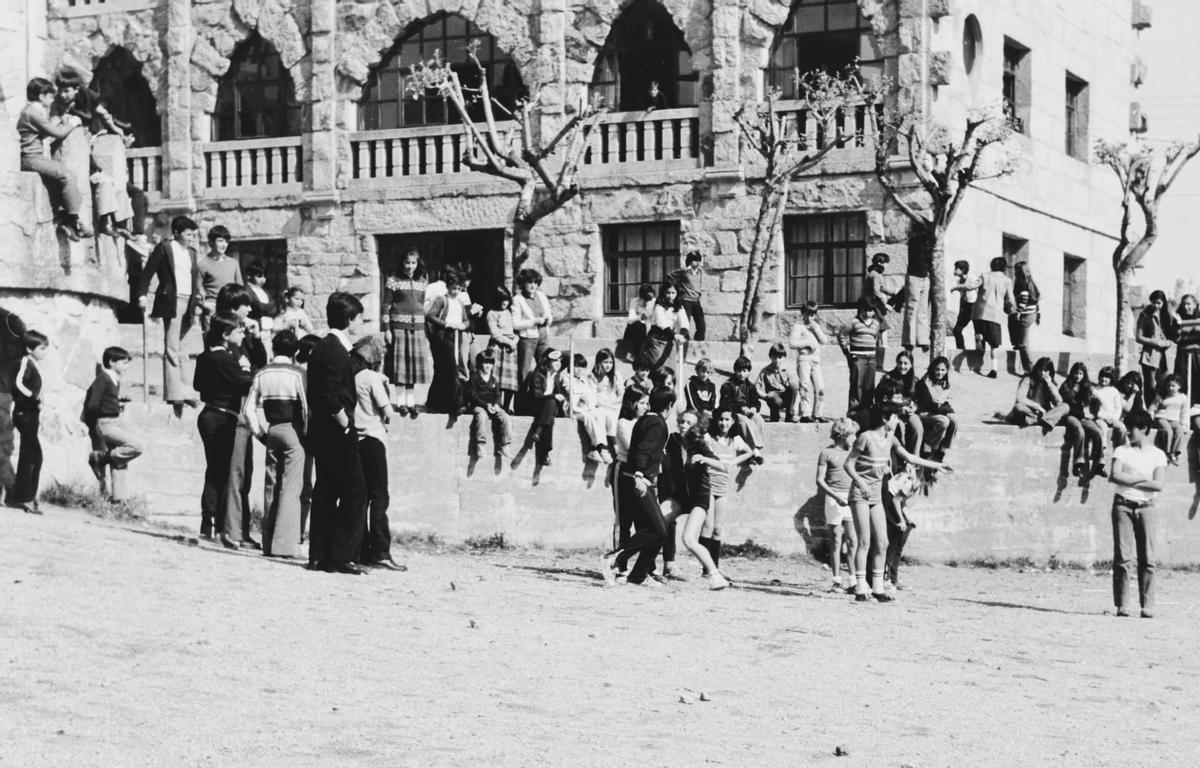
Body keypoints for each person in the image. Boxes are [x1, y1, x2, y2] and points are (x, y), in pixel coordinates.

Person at [843, 402, 950, 602]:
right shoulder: (865, 437)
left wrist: (936, 465)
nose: (898, 420)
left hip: (875, 496)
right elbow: (848, 464)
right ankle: (859, 588)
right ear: (885, 419)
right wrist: (860, 482)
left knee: (882, 542)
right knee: (864, 541)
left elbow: (910, 457)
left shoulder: (890, 439)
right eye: (895, 417)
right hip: (860, 494)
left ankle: (877, 588)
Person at [306, 292, 368, 575]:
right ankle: (342, 556)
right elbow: (330, 394)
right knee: (356, 490)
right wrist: (344, 423)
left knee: (326, 490)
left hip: (320, 430)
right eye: (360, 318)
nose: (362, 324)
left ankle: (319, 555)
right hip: (335, 430)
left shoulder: (321, 346)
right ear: (349, 320)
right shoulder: (335, 349)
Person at [600, 386, 677, 586]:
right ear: (669, 406)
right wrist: (640, 476)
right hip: (639, 481)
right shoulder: (657, 423)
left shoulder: (644, 420)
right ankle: (614, 558)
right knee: (658, 529)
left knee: (657, 530)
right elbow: (643, 450)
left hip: (640, 479)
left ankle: (638, 576)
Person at [243, 328, 308, 559]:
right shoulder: (297, 373)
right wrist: (307, 434)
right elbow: (306, 408)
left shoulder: (262, 373)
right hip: (293, 430)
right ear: (295, 350)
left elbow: (249, 408)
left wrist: (260, 433)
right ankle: (286, 546)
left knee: (271, 484)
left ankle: (268, 543)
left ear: (274, 348)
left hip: (272, 430)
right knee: (291, 487)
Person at [192, 314, 252, 545]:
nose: (242, 335)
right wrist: (245, 369)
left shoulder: (205, 356)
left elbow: (198, 385)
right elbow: (244, 383)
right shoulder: (224, 359)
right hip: (221, 416)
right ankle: (217, 526)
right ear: (226, 335)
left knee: (214, 470)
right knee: (222, 473)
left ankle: (209, 524)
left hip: (209, 413)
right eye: (238, 332)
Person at [137, 215, 202, 408]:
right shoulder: (165, 248)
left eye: (193, 234)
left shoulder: (191, 252)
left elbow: (194, 277)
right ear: (176, 233)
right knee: (172, 348)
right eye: (188, 234)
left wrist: (198, 297)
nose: (191, 238)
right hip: (171, 301)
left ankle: (187, 390)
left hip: (188, 302)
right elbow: (147, 272)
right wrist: (141, 294)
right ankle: (175, 393)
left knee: (184, 350)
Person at [350, 334, 402, 571]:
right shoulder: (372, 378)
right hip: (373, 436)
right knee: (380, 497)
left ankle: (361, 549)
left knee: (363, 496)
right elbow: (387, 411)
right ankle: (380, 551)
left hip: (357, 438)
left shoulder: (354, 376)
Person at [1108, 410, 1167, 618]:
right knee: (1122, 557)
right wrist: (1142, 478)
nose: (1128, 432)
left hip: (1147, 507)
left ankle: (1147, 605)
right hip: (1122, 506)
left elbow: (1158, 484)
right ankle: (1122, 605)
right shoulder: (1121, 450)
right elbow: (1114, 476)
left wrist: (1131, 478)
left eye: (1131, 428)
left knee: (1148, 558)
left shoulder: (1158, 454)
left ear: (1143, 429)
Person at [18, 77, 91, 240]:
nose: (52, 100)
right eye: (50, 96)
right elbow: (56, 133)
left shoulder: (30, 112)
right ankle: (73, 220)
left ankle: (66, 218)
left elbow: (43, 132)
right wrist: (72, 123)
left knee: (61, 176)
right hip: (30, 158)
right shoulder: (32, 112)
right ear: (42, 95)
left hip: (34, 157)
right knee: (66, 175)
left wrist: (57, 121)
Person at [670, 412, 729, 589]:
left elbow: (722, 466)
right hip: (681, 496)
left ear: (695, 427)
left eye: (688, 422)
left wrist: (704, 459)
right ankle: (639, 568)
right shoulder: (672, 440)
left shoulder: (698, 444)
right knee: (657, 525)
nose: (683, 425)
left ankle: (715, 575)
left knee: (688, 539)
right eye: (681, 421)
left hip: (699, 497)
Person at [699, 406, 755, 579]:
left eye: (727, 420)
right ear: (716, 420)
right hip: (707, 484)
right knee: (707, 527)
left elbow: (749, 452)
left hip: (723, 486)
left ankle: (714, 568)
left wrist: (734, 462)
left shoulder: (734, 439)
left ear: (732, 422)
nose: (724, 423)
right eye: (721, 419)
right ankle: (705, 569)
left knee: (717, 529)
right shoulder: (708, 438)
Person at [82, 346, 143, 501]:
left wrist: (117, 404)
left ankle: (119, 499)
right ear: (112, 362)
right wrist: (97, 420)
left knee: (120, 461)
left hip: (115, 421)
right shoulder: (103, 378)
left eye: (127, 362)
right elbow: (93, 404)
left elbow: (107, 400)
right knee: (136, 446)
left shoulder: (114, 379)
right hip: (106, 423)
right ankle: (101, 459)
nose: (126, 366)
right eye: (123, 362)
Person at [384, 249, 428, 416]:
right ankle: (400, 402)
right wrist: (387, 330)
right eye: (407, 263)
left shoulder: (422, 282)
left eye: (413, 263)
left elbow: (423, 305)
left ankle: (411, 403)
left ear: (418, 264)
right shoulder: (393, 281)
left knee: (412, 368)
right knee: (400, 367)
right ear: (402, 263)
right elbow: (385, 306)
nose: (410, 266)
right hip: (398, 328)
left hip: (417, 329)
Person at [9, 330, 48, 514]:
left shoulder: (32, 363)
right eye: (41, 348)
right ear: (29, 348)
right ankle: (24, 498)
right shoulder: (24, 362)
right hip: (24, 414)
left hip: (31, 415)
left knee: (34, 455)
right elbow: (18, 384)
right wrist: (34, 398)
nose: (44, 352)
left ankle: (25, 496)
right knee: (31, 456)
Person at [817, 418, 858, 591]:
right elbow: (820, 480)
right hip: (834, 499)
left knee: (853, 540)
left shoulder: (855, 453)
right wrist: (836, 496)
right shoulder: (827, 453)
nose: (855, 438)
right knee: (836, 539)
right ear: (843, 435)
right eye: (853, 435)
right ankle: (836, 579)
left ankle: (854, 579)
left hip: (851, 498)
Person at [611, 388, 649, 564]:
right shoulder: (623, 423)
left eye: (646, 403)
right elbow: (633, 448)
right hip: (625, 470)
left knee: (645, 521)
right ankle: (619, 564)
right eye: (641, 403)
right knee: (623, 520)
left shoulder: (647, 422)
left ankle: (647, 566)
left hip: (642, 473)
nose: (645, 407)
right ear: (632, 403)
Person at [425, 270, 470, 414]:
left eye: (458, 289)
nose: (456, 292)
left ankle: (435, 402)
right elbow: (430, 316)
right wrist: (446, 324)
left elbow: (466, 319)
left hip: (456, 336)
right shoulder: (441, 300)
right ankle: (455, 404)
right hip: (443, 338)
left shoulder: (459, 302)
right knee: (450, 369)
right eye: (453, 288)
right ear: (448, 287)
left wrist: (464, 325)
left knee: (442, 371)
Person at [512, 348, 564, 470]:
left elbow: (567, 355)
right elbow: (537, 396)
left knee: (551, 405)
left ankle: (538, 432)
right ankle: (545, 453)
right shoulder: (537, 375)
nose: (559, 363)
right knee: (550, 417)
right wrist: (554, 396)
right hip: (536, 406)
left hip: (548, 409)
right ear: (547, 361)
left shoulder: (556, 377)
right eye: (555, 360)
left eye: (559, 361)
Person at [967, 257, 1015, 378]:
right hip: (995, 315)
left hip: (980, 312)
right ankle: (994, 369)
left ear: (991, 265)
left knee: (979, 330)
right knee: (994, 345)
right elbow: (1011, 299)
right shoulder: (1007, 281)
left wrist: (960, 286)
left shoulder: (984, 275)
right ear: (1004, 267)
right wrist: (1013, 309)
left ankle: (979, 335)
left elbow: (972, 286)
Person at [464, 349, 512, 461]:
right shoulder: (475, 377)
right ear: (480, 363)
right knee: (481, 416)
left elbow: (497, 394)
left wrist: (496, 405)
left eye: (490, 363)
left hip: (492, 406)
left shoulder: (494, 379)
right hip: (479, 405)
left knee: (505, 417)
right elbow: (473, 396)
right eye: (485, 363)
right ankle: (480, 444)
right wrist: (486, 406)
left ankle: (505, 445)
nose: (488, 366)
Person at [1060, 362, 1105, 479]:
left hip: (1082, 416)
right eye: (1076, 373)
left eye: (1080, 373)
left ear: (1084, 375)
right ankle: (1077, 464)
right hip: (1070, 416)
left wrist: (1092, 412)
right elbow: (1067, 407)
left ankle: (1099, 463)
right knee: (1080, 431)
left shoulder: (1085, 387)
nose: (1077, 376)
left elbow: (1099, 400)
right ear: (1072, 373)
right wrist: (1084, 414)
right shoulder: (1066, 386)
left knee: (1097, 431)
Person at [838, 298, 882, 412]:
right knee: (856, 386)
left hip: (871, 359)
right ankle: (854, 413)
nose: (869, 313)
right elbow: (842, 335)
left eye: (871, 310)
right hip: (858, 358)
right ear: (860, 310)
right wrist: (846, 353)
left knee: (869, 386)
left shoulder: (876, 324)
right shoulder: (853, 322)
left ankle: (866, 412)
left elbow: (876, 339)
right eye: (866, 310)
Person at [719, 355, 765, 463]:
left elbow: (756, 401)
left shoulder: (750, 386)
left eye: (744, 371)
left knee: (758, 419)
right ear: (735, 371)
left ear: (749, 372)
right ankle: (754, 451)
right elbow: (725, 404)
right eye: (739, 371)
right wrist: (740, 409)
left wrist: (754, 408)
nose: (741, 374)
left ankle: (756, 449)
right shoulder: (728, 385)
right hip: (735, 412)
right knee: (745, 422)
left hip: (748, 411)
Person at [789, 301, 829, 423]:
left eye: (813, 314)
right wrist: (807, 343)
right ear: (803, 313)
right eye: (808, 314)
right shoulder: (799, 327)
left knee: (820, 388)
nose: (810, 317)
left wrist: (816, 329)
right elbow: (792, 343)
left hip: (816, 361)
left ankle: (818, 413)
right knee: (804, 386)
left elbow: (824, 340)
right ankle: (805, 413)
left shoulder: (815, 326)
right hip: (804, 359)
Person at [197, 225, 242, 331]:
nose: (224, 245)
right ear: (211, 242)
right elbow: (197, 291)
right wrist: (205, 306)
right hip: (213, 310)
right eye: (220, 241)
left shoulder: (233, 263)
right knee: (212, 341)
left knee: (236, 337)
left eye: (226, 242)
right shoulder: (202, 264)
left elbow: (240, 288)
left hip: (232, 309)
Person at [1004, 356, 1066, 432]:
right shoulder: (1028, 379)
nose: (1043, 373)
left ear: (1050, 372)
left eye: (1046, 370)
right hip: (1030, 411)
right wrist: (1038, 407)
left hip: (1044, 414)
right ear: (1036, 369)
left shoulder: (1051, 383)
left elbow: (1059, 402)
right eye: (1041, 370)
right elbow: (1020, 398)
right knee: (1018, 407)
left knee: (1065, 406)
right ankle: (1038, 421)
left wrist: (1050, 385)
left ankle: (1041, 420)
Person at [512, 269, 552, 384]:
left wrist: (548, 319)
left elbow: (549, 314)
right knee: (524, 371)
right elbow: (515, 324)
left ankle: (542, 396)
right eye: (529, 282)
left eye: (535, 282)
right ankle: (523, 400)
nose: (533, 285)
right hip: (528, 339)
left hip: (543, 335)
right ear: (523, 283)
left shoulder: (541, 296)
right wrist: (534, 321)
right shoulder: (517, 299)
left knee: (545, 367)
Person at [639, 281, 690, 371]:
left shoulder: (679, 306)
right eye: (668, 293)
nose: (670, 296)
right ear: (663, 293)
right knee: (657, 368)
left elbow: (684, 322)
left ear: (677, 293)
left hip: (670, 340)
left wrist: (682, 334)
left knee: (670, 370)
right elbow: (661, 323)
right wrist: (675, 335)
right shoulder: (658, 305)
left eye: (673, 293)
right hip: (656, 340)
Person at [913, 356, 957, 459]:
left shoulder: (944, 383)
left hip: (936, 410)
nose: (940, 373)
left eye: (943, 370)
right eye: (937, 369)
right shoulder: (926, 381)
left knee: (955, 420)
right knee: (944, 421)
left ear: (946, 371)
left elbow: (942, 403)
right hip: (924, 412)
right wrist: (946, 408)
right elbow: (932, 404)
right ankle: (927, 447)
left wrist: (946, 407)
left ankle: (942, 451)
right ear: (932, 369)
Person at [484, 286, 520, 412]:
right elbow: (494, 333)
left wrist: (515, 341)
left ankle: (507, 406)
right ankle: (496, 404)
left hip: (510, 349)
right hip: (498, 347)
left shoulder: (508, 312)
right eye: (501, 299)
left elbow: (515, 330)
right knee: (496, 379)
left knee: (510, 381)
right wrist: (508, 342)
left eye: (506, 300)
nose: (504, 302)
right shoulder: (491, 313)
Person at [1136, 290, 1173, 408]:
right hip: (1149, 355)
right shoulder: (1145, 315)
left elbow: (1170, 335)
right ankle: (1149, 412)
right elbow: (1138, 337)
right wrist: (1155, 342)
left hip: (1162, 356)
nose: (1156, 306)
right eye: (1154, 302)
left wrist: (1168, 343)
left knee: (1164, 383)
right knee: (1150, 386)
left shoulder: (1166, 316)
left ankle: (1159, 410)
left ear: (1163, 303)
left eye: (1159, 303)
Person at [881, 350, 923, 453]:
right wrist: (897, 409)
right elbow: (880, 401)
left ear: (911, 365)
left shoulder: (915, 381)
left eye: (906, 363)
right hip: (890, 411)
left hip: (907, 411)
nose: (902, 366)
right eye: (900, 363)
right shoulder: (888, 378)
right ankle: (896, 459)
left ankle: (914, 459)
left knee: (917, 428)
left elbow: (920, 400)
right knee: (894, 428)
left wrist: (915, 407)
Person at [755, 342, 800, 422]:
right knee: (775, 402)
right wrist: (766, 396)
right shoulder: (765, 371)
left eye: (779, 357)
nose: (777, 360)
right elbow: (756, 388)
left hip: (785, 398)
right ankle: (775, 417)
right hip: (774, 399)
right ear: (770, 357)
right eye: (774, 357)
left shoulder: (787, 370)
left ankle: (789, 415)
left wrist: (795, 407)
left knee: (793, 387)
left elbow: (795, 390)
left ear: (784, 358)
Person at [1008, 262, 1040, 374]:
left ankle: (1031, 371)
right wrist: (1038, 314)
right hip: (1032, 313)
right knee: (1011, 319)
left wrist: (1019, 311)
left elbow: (1024, 298)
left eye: (1015, 270)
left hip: (1026, 314)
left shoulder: (1021, 283)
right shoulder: (1031, 282)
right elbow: (1036, 299)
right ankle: (1016, 343)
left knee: (1024, 344)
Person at [901, 233, 931, 352]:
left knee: (923, 310)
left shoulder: (927, 242)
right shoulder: (915, 241)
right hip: (914, 277)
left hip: (924, 277)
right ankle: (909, 340)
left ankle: (922, 340)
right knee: (912, 310)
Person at [592, 348, 623, 453]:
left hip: (614, 403)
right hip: (599, 404)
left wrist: (612, 403)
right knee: (603, 414)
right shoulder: (593, 376)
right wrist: (603, 404)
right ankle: (607, 446)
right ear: (599, 362)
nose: (608, 365)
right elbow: (592, 396)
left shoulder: (616, 375)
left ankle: (614, 442)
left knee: (613, 415)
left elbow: (621, 393)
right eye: (605, 362)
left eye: (611, 362)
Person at [1151, 374, 1188, 465]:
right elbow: (1152, 409)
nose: (1170, 388)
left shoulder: (1183, 397)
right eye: (1168, 386)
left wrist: (1183, 424)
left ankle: (1174, 453)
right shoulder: (1162, 396)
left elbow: (1184, 412)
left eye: (1173, 386)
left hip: (1175, 420)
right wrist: (1150, 419)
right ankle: (1167, 452)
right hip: (1162, 418)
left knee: (1179, 431)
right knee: (1168, 431)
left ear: (1179, 386)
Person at [864, 253, 897, 348]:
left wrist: (892, 292)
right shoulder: (876, 275)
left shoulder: (872, 274)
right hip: (873, 304)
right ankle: (884, 345)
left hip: (869, 303)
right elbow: (876, 291)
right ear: (880, 263)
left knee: (874, 324)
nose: (887, 265)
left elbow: (881, 288)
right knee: (883, 326)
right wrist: (885, 304)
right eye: (886, 263)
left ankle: (876, 344)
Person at [671, 250, 706, 342]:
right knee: (685, 325)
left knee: (701, 326)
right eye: (693, 260)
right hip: (685, 300)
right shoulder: (683, 271)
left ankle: (698, 345)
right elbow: (670, 276)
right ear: (689, 261)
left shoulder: (700, 272)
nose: (696, 262)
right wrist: (677, 291)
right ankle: (685, 344)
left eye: (698, 260)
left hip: (696, 301)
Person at [1171, 294, 1200, 398]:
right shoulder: (1179, 318)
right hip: (1182, 356)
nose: (1186, 307)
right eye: (1184, 304)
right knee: (1182, 382)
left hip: (1197, 356)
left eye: (1189, 304)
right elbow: (1176, 339)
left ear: (1195, 305)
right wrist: (1178, 324)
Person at [1093, 365, 1127, 453]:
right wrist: (1102, 417)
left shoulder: (1114, 391)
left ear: (1111, 379)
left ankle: (1123, 448)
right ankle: (1102, 449)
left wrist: (1114, 418)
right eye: (1102, 376)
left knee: (1122, 428)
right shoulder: (1095, 390)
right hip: (1100, 418)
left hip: (1112, 418)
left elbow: (1118, 407)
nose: (1104, 379)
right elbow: (1094, 408)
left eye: (1107, 377)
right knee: (1103, 428)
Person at [621, 283, 657, 362]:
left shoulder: (655, 302)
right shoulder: (634, 301)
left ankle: (641, 355)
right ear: (641, 297)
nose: (648, 302)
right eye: (646, 299)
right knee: (638, 325)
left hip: (650, 327)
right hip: (637, 328)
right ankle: (635, 355)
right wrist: (641, 317)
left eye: (650, 299)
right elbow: (630, 320)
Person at [949, 260, 978, 350]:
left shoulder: (972, 278)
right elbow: (962, 296)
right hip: (965, 307)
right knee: (957, 330)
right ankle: (961, 349)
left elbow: (972, 288)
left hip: (974, 306)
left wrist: (957, 288)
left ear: (963, 269)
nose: (954, 270)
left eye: (956, 268)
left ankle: (980, 350)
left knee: (978, 331)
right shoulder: (959, 281)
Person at [244, 263, 278, 334]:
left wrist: (269, 307)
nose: (263, 279)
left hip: (268, 328)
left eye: (264, 276)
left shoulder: (265, 291)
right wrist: (270, 306)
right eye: (259, 276)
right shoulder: (247, 290)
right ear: (249, 276)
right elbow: (258, 308)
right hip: (256, 329)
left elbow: (274, 309)